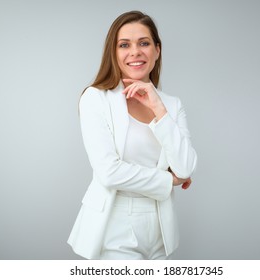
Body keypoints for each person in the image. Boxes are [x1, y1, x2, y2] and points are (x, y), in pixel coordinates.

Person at [67, 10, 197, 260]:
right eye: (124, 45)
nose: (135, 52)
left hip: (161, 227)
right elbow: (109, 172)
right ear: (114, 53)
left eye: (144, 43)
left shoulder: (172, 104)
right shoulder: (96, 98)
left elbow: (186, 167)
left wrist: (159, 108)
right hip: (114, 226)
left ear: (157, 50)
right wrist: (169, 180)